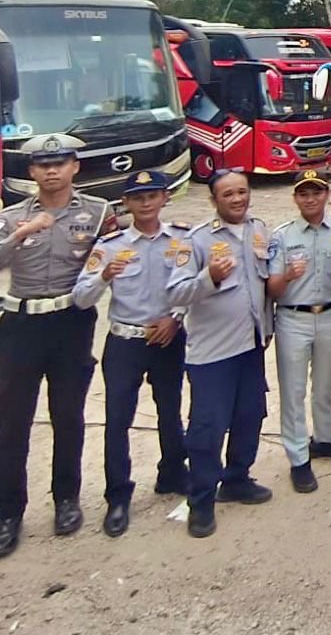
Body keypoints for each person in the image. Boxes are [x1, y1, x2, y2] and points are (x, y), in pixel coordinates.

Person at [0, 133, 115, 560]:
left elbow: (114, 255)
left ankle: (66, 500)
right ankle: (8, 516)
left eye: (60, 162)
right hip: (21, 325)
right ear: (30, 171)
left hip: (71, 322)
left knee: (68, 415)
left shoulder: (98, 212)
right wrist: (20, 235)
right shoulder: (10, 217)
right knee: (12, 424)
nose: (51, 170)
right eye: (42, 164)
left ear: (75, 167)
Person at [70, 170, 190, 539]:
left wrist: (176, 318)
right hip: (125, 341)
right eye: (138, 198)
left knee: (170, 410)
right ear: (127, 203)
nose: (146, 203)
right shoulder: (110, 245)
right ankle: (118, 496)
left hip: (169, 336)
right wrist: (105, 275)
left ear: (164, 199)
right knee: (118, 418)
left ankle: (172, 473)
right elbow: (81, 298)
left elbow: (191, 290)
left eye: (153, 195)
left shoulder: (182, 240)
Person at [168, 170, 275, 538]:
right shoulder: (195, 241)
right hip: (212, 354)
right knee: (207, 428)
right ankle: (201, 501)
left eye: (242, 192)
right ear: (214, 200)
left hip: (251, 345)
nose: (237, 199)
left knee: (250, 415)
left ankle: (237, 478)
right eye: (228, 194)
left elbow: (264, 283)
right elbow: (176, 293)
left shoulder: (259, 230)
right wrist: (209, 277)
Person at [267, 168, 331, 493]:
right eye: (304, 193)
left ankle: (324, 438)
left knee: (325, 385)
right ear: (295, 198)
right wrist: (288, 275)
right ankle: (298, 457)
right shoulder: (282, 235)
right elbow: (272, 290)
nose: (310, 198)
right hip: (293, 319)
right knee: (293, 391)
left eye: (316, 192)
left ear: (327, 194)